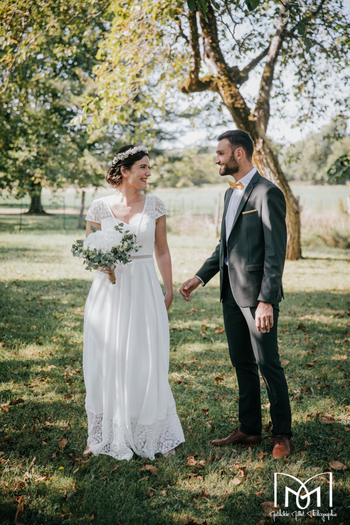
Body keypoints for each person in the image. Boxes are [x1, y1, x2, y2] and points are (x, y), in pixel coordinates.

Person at [180, 130, 292, 459]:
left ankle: (282, 434)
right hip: (230, 294)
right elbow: (225, 246)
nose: (216, 159)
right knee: (241, 363)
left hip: (258, 298)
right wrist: (201, 276)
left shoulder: (267, 193)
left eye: (220, 153)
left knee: (268, 363)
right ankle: (249, 428)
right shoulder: (230, 195)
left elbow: (275, 252)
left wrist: (266, 300)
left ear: (238, 154)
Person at [82, 144, 185, 461]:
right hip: (109, 293)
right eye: (142, 167)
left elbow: (162, 250)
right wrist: (103, 263)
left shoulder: (155, 206)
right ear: (124, 171)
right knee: (105, 361)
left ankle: (153, 433)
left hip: (144, 289)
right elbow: (89, 249)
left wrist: (168, 288)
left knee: (146, 358)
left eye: (148, 167)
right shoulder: (99, 208)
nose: (148, 173)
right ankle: (101, 434)